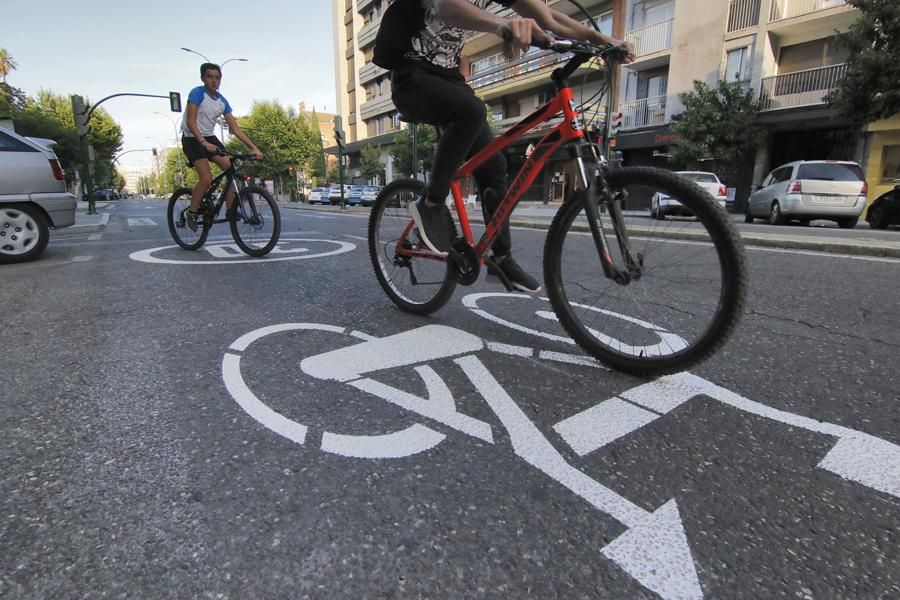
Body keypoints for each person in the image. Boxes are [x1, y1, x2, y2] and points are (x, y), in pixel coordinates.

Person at [373, 0, 634, 292]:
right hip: (411, 79)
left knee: (494, 164)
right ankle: (431, 203)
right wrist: (502, 25)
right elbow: (446, 6)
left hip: (451, 81)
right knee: (471, 110)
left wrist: (603, 40)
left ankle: (501, 258)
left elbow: (548, 17)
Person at [181, 63, 262, 232]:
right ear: (203, 78)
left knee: (232, 168)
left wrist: (255, 148)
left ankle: (231, 210)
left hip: (210, 137)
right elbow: (190, 121)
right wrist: (203, 143)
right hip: (192, 138)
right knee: (206, 178)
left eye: (217, 78)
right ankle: (192, 212)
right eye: (210, 77)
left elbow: (236, 129)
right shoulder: (197, 93)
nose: (214, 81)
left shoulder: (222, 101)